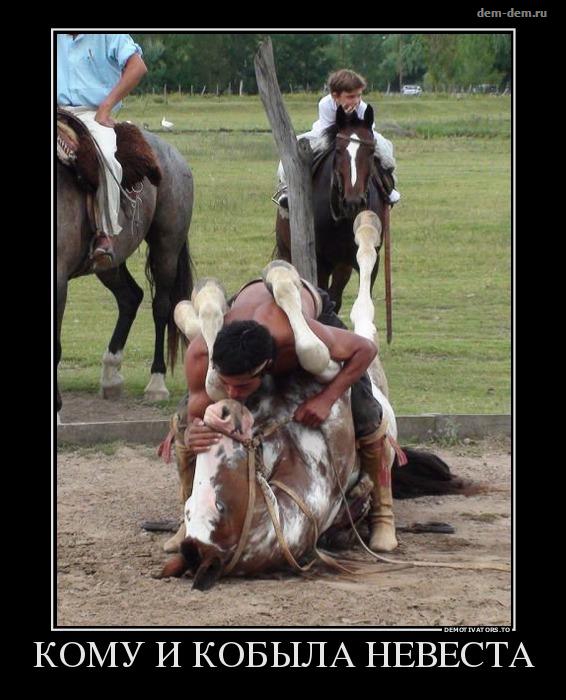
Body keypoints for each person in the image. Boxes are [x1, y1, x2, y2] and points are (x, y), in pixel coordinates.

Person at [167, 278, 398, 554]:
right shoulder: (201, 353)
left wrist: (326, 399)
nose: (232, 393)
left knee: (366, 412)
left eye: (241, 386)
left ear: (265, 367)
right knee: (181, 423)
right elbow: (194, 418)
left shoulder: (292, 337)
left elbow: (365, 349)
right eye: (225, 384)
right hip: (242, 315)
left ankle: (383, 514)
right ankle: (188, 516)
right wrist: (193, 433)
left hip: (301, 310)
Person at [57, 33, 148, 268]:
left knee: (106, 156)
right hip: (57, 110)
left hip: (92, 112)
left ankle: (105, 233)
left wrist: (106, 107)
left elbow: (137, 67)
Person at [273, 68, 400, 210]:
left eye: (359, 95)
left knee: (385, 147)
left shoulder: (363, 108)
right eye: (351, 97)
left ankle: (389, 185)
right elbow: (329, 132)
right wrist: (345, 116)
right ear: (335, 96)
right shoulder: (325, 104)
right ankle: (286, 188)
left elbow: (367, 131)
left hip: (358, 136)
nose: (356, 101)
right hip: (325, 133)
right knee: (292, 148)